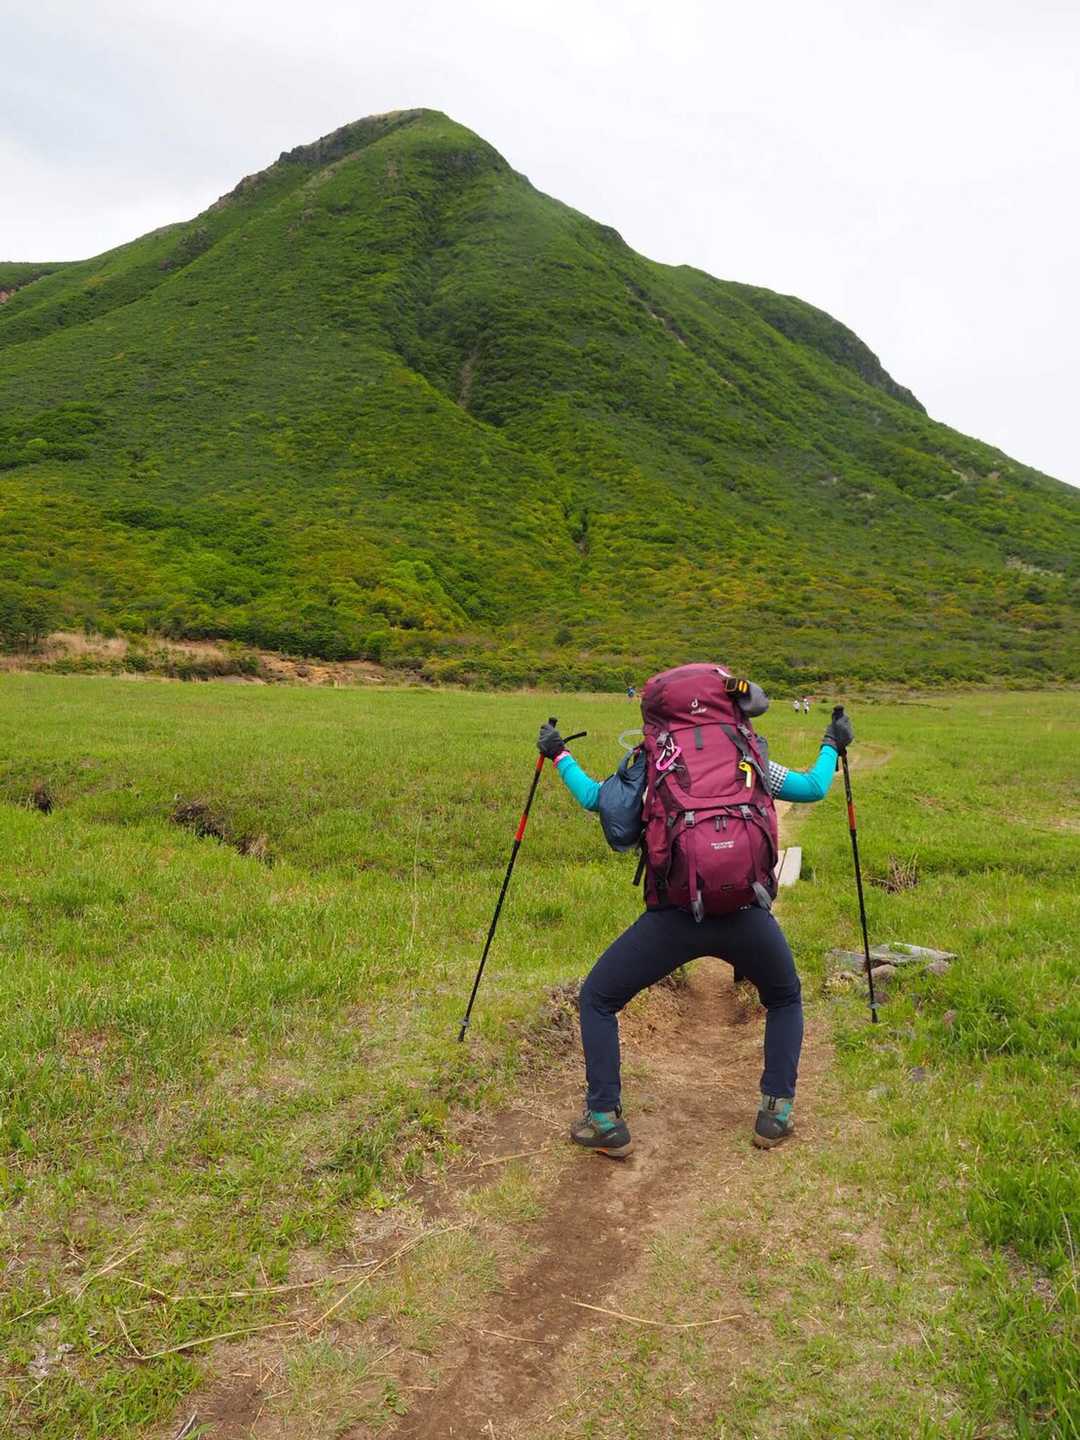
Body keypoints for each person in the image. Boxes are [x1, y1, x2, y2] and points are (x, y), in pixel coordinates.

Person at [537, 698, 854, 1156]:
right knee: (784, 997)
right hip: (746, 913)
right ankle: (775, 1114)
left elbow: (595, 799)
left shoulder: (654, 760)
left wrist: (558, 753)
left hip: (673, 916)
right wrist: (830, 743)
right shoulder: (749, 755)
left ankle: (604, 1119)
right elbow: (814, 787)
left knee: (598, 998)